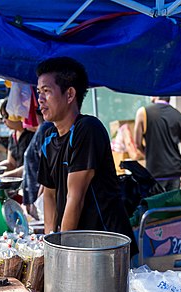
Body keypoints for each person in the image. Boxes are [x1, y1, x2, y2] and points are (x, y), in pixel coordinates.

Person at [36, 56, 137, 255]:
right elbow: (49, 194)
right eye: (39, 92)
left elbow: (76, 197)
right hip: (79, 248)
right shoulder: (49, 137)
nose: (40, 99)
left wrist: (61, 251)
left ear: (70, 94)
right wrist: (49, 242)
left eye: (46, 91)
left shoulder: (87, 129)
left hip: (107, 248)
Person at [134, 96, 181, 193]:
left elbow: (137, 144)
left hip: (155, 170)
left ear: (155, 96)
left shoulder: (143, 112)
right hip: (175, 170)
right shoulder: (179, 115)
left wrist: (148, 154)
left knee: (156, 205)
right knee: (171, 205)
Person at [22, 108, 51, 219]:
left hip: (41, 202)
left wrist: (38, 201)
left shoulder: (45, 128)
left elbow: (48, 169)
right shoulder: (42, 129)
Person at [0, 99, 34, 179]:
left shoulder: (33, 134)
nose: (4, 121)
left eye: (6, 116)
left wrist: (2, 177)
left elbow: (31, 166)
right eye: (2, 117)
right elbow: (11, 163)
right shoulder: (12, 136)